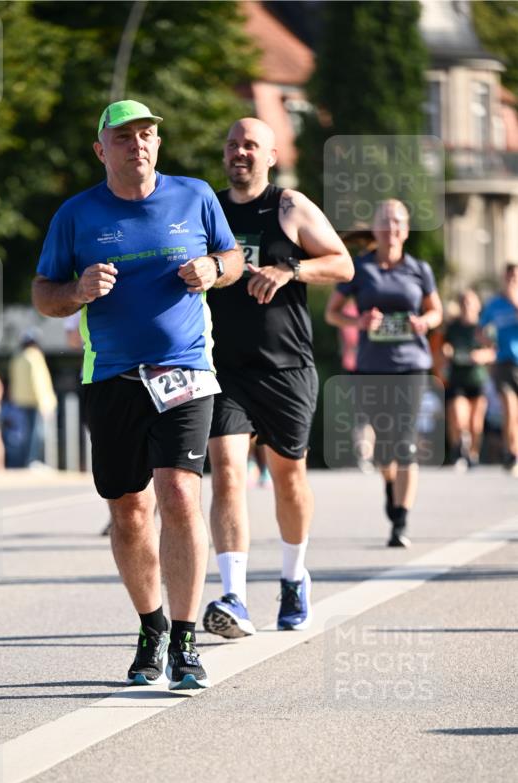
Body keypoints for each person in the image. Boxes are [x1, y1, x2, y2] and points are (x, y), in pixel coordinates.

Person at [32, 99, 243, 691]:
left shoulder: (195, 195)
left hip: (186, 372)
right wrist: (76, 289)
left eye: (147, 135)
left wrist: (214, 270)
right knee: (129, 511)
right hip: (113, 378)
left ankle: (184, 638)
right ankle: (150, 625)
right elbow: (43, 295)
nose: (139, 145)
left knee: (178, 493)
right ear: (102, 150)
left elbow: (231, 257)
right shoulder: (76, 215)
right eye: (124, 138)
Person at [203, 117, 353, 639]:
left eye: (250, 145)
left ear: (269, 156)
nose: (238, 152)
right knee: (226, 472)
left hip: (286, 365)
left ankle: (293, 578)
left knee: (288, 477)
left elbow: (342, 263)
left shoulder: (289, 206)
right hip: (223, 366)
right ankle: (234, 596)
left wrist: (291, 269)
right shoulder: (209, 209)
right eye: (231, 145)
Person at [325, 199, 443, 547]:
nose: (391, 228)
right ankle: (391, 485)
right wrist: (357, 321)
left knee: (405, 442)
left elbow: (435, 311)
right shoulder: (359, 269)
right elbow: (333, 313)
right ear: (375, 229)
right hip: (371, 366)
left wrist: (424, 322)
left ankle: (400, 522)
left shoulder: (419, 269)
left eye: (398, 222)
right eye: (385, 221)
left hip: (412, 364)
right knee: (382, 449)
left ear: (405, 230)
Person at [441, 290, 493, 470]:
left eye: (470, 302)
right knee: (458, 414)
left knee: (475, 422)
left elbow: (494, 351)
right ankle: (458, 448)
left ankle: (473, 454)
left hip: (477, 379)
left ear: (478, 305)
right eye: (463, 302)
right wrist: (447, 352)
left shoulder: (483, 327)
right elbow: (445, 346)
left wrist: (482, 355)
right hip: (457, 378)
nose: (467, 306)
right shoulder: (453, 327)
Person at [480, 263, 518, 475]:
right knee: (510, 408)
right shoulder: (494, 304)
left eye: (516, 276)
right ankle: (511, 452)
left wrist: (514, 301)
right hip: (503, 362)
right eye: (510, 276)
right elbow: (480, 330)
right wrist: (487, 341)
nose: (513, 280)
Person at [8, 330, 57, 467]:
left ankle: (26, 461)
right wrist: (44, 403)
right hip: (37, 401)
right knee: (37, 434)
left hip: (21, 401)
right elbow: (39, 381)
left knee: (25, 433)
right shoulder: (35, 356)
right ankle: (32, 461)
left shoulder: (17, 357)